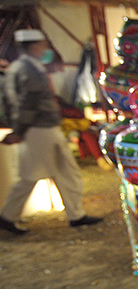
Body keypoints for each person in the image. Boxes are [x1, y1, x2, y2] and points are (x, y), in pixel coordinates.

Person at [0, 29, 103, 235]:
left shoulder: (27, 67)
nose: (45, 49)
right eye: (42, 45)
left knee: (66, 172)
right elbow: (26, 105)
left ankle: (76, 215)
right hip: (38, 131)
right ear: (32, 47)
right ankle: (7, 217)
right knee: (30, 175)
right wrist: (19, 131)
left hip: (46, 128)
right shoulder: (27, 69)